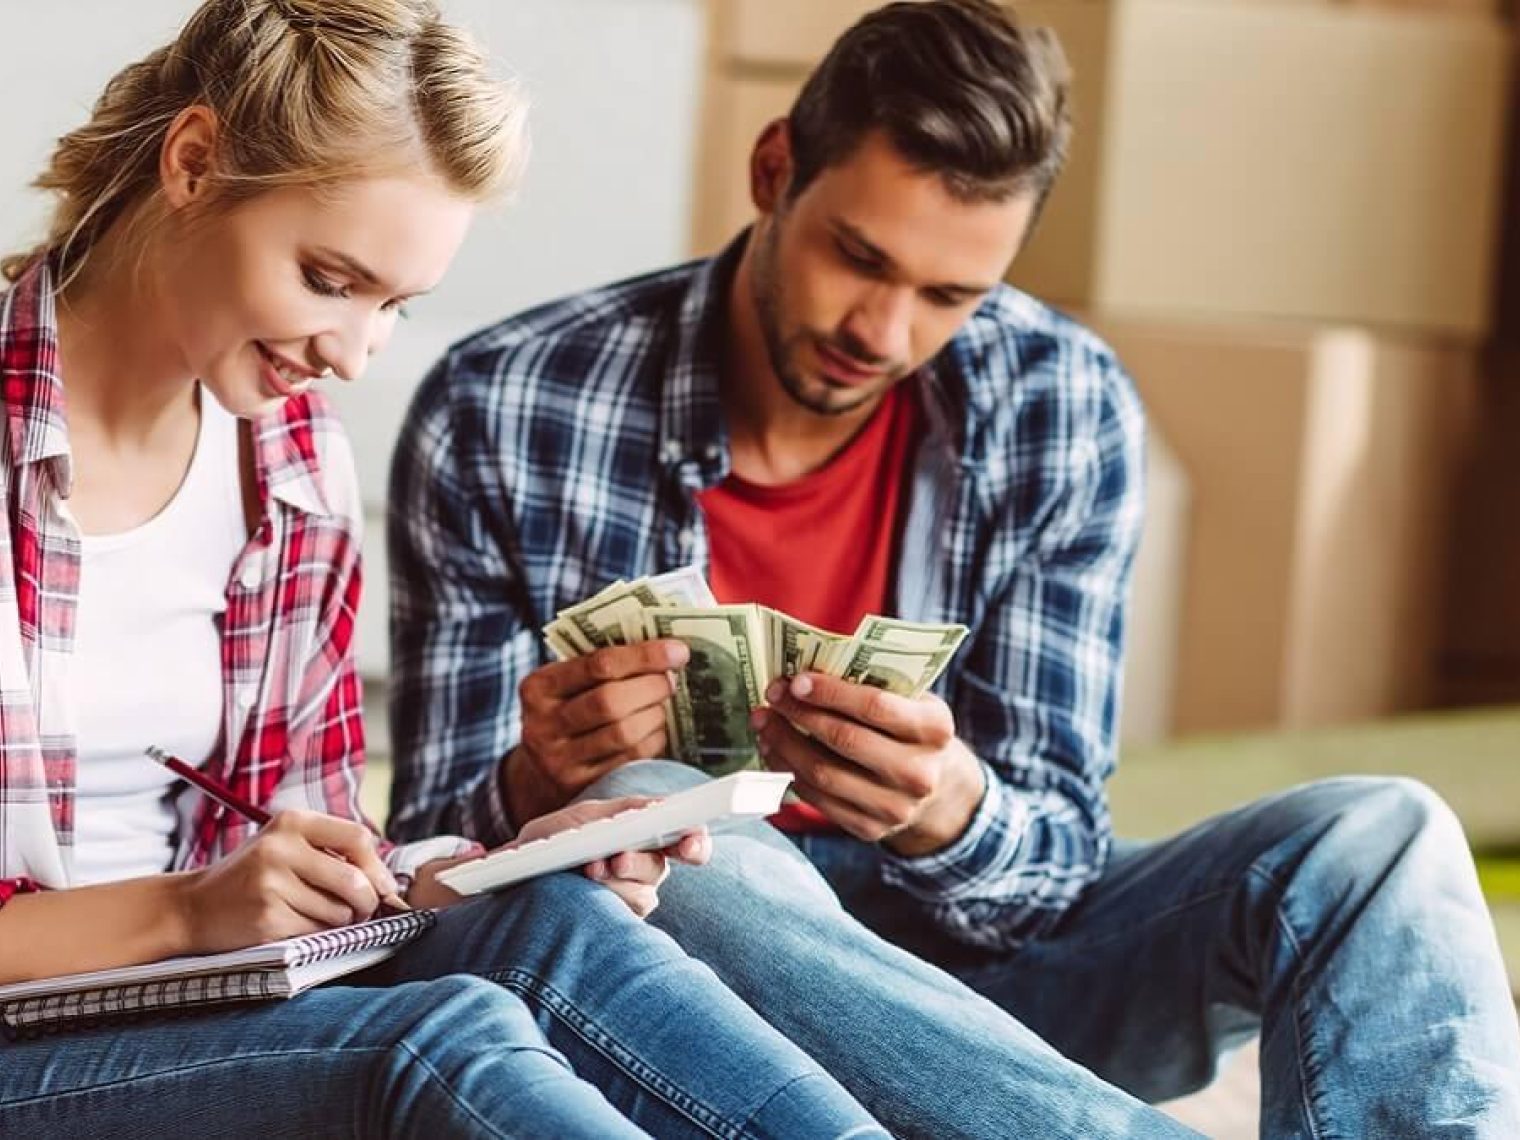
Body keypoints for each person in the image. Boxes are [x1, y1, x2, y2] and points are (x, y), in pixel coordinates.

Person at [387, 0, 1520, 1135]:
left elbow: (1058, 865)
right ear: (773, 167)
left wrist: (948, 812)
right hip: (701, 991)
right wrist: (541, 785)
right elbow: (430, 881)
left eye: (947, 297)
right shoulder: (508, 403)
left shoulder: (1059, 404)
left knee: (1382, 836)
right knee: (655, 816)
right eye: (857, 258)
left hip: (1006, 987)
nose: (880, 331)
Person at [0, 2, 892, 1136]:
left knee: (557, 929)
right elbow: (214, 910)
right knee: (441, 1042)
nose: (354, 351)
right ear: (192, 163)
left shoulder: (288, 458)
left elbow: (305, 857)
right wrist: (185, 914)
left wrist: (475, 875)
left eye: (393, 306)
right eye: (330, 278)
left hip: (203, 1007)